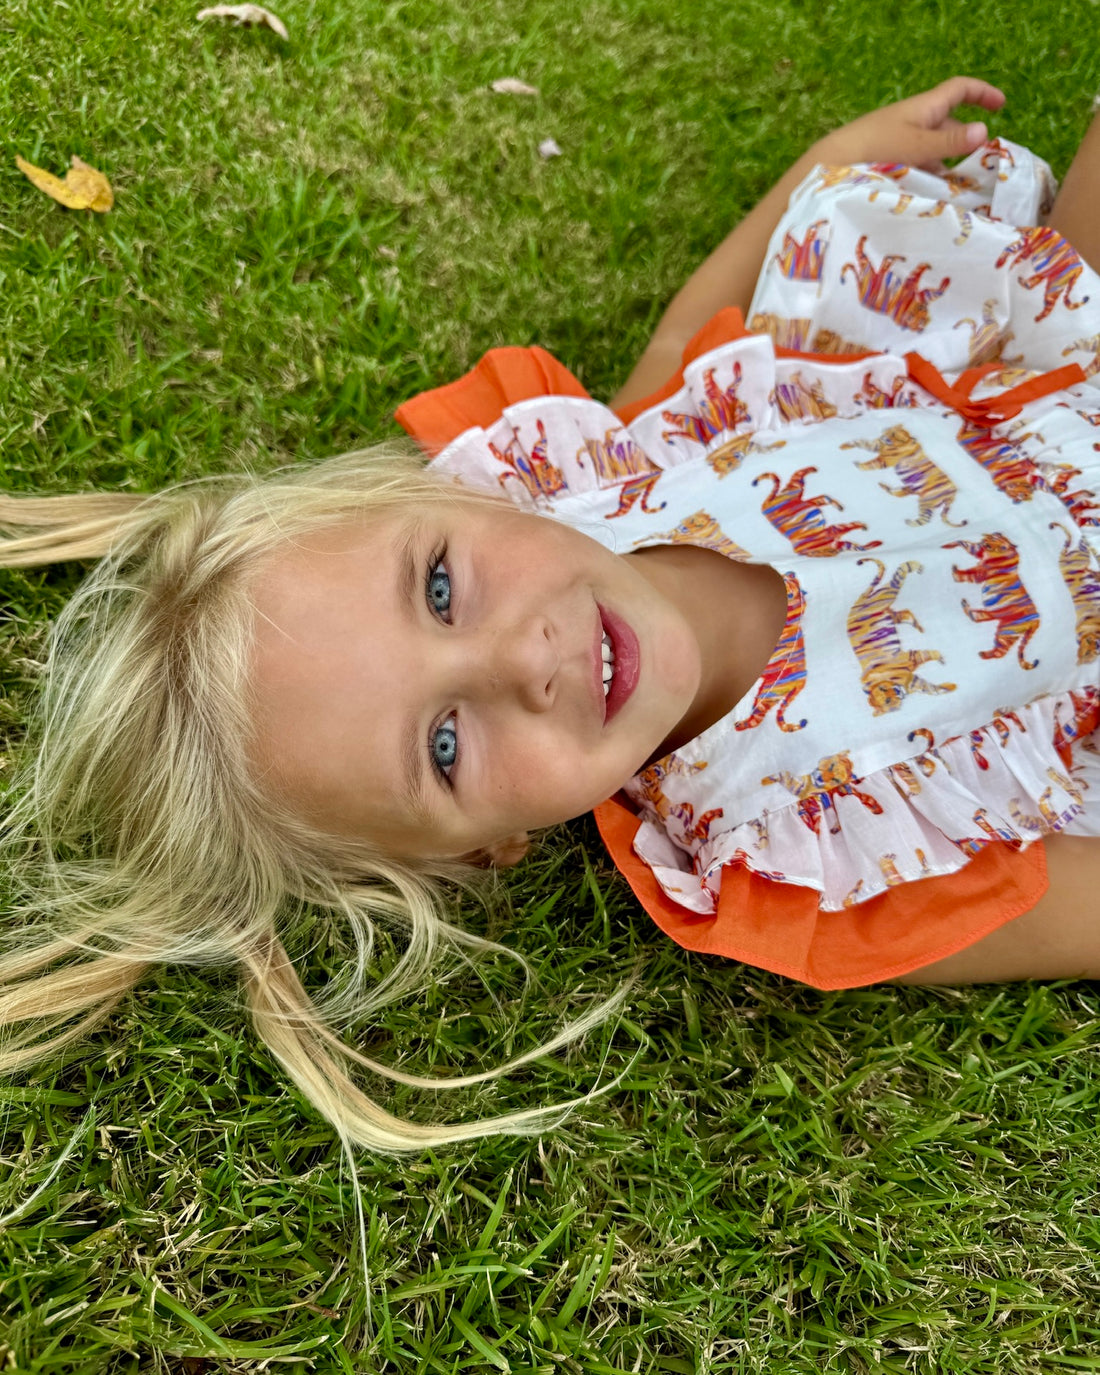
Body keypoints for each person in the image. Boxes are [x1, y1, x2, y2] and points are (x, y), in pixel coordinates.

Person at [2, 79, 1099, 1155]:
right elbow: (1072, 905)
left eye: (439, 587)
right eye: (443, 745)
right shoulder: (794, 859)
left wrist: (822, 157)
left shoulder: (607, 476)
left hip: (1032, 379)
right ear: (488, 850)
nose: (519, 658)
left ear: (446, 498)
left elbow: (686, 342)